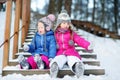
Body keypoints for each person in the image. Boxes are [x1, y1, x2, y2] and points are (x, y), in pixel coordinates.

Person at [50, 10, 93, 78]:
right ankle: (54, 67)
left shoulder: (71, 33)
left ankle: (77, 67)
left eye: (67, 23)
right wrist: (55, 46)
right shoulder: (55, 34)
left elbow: (79, 40)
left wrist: (87, 45)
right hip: (60, 52)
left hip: (71, 52)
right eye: (64, 23)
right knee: (58, 59)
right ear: (59, 24)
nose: (66, 25)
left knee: (73, 59)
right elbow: (50, 42)